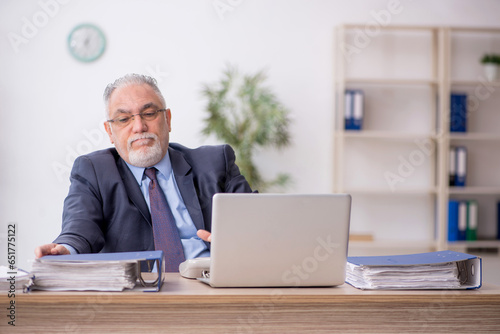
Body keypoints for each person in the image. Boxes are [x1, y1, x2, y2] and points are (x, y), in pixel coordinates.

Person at [35, 74, 253, 270]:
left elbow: (257, 223)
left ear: (167, 119)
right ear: (110, 131)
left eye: (149, 113)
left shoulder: (215, 162)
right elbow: (79, 230)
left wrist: (239, 239)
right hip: (136, 295)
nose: (139, 126)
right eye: (123, 119)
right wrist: (65, 250)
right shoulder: (93, 171)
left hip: (211, 285)